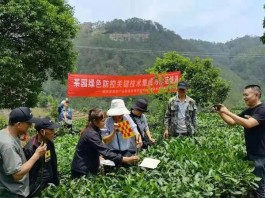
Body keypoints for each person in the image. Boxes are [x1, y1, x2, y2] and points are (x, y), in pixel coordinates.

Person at [215, 85, 265, 198]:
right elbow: (232, 122)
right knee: (255, 185)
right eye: (243, 95)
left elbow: (248, 124)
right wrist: (221, 112)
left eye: (246, 95)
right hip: (252, 152)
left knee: (260, 187)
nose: (244, 97)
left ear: (256, 95)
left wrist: (227, 111)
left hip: (261, 155)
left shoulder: (262, 110)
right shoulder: (249, 110)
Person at [71, 109, 139, 178]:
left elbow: (130, 135)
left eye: (122, 114)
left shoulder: (125, 118)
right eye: (102, 121)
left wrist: (136, 136)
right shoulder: (107, 123)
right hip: (84, 168)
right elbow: (104, 144)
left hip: (122, 153)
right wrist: (125, 159)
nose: (121, 116)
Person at [0, 107, 47, 198]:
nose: (30, 126)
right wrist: (36, 155)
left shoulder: (4, 134)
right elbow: (17, 175)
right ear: (19, 124)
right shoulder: (8, 145)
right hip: (11, 193)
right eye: (29, 123)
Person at [23, 117, 61, 198]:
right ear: (42, 131)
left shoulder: (49, 143)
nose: (54, 132)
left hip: (49, 181)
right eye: (51, 130)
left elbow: (53, 161)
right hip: (36, 186)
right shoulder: (29, 148)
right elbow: (26, 172)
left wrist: (56, 179)